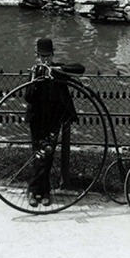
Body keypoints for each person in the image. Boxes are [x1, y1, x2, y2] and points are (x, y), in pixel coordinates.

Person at [23, 37, 86, 207]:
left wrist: (58, 69)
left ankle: (40, 191)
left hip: (53, 119)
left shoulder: (57, 70)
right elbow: (28, 97)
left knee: (48, 155)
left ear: (53, 54)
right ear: (37, 56)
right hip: (37, 119)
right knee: (39, 155)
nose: (45, 60)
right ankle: (37, 191)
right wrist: (35, 79)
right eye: (42, 57)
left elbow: (80, 69)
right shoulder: (34, 71)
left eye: (48, 56)